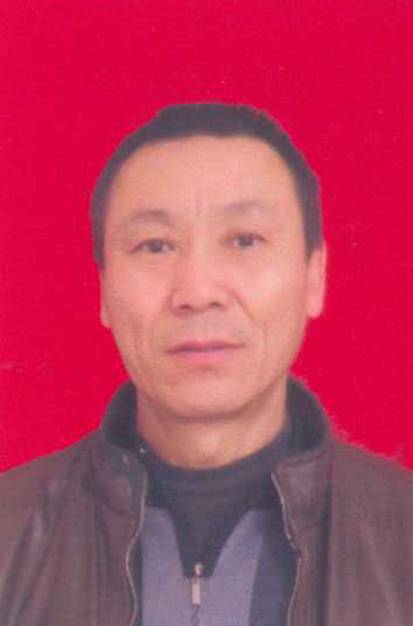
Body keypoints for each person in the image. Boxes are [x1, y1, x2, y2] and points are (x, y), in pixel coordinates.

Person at [1, 103, 412, 626]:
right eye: (155, 246)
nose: (197, 292)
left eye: (244, 240)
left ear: (315, 275)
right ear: (103, 289)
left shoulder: (402, 538)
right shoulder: (10, 531)